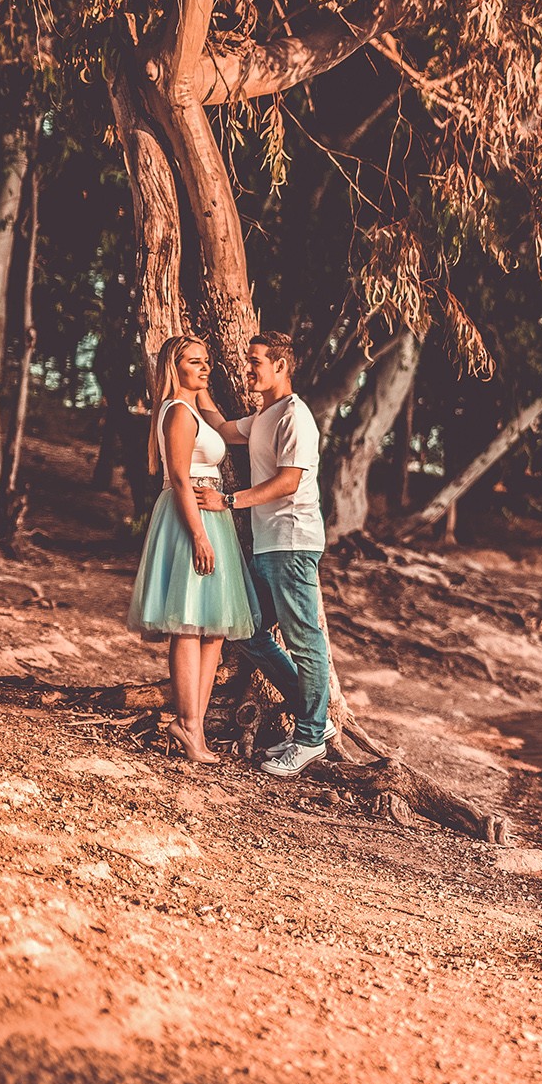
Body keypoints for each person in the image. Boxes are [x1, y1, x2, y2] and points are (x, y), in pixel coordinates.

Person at [191, 331, 333, 778]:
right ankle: (316, 721)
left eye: (255, 362)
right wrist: (196, 386)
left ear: (281, 366)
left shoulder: (296, 416)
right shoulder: (264, 416)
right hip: (269, 544)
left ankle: (310, 739)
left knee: (306, 641)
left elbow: (290, 480)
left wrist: (229, 501)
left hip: (293, 542)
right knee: (248, 629)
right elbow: (219, 427)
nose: (247, 369)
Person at [127, 335, 259, 764]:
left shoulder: (196, 409)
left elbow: (225, 432)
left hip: (212, 514)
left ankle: (191, 724)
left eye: (207, 362)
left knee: (215, 627)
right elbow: (181, 478)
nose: (206, 368)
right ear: (175, 367)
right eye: (195, 363)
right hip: (191, 518)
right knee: (187, 624)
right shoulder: (178, 414)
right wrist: (199, 535)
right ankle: (189, 725)